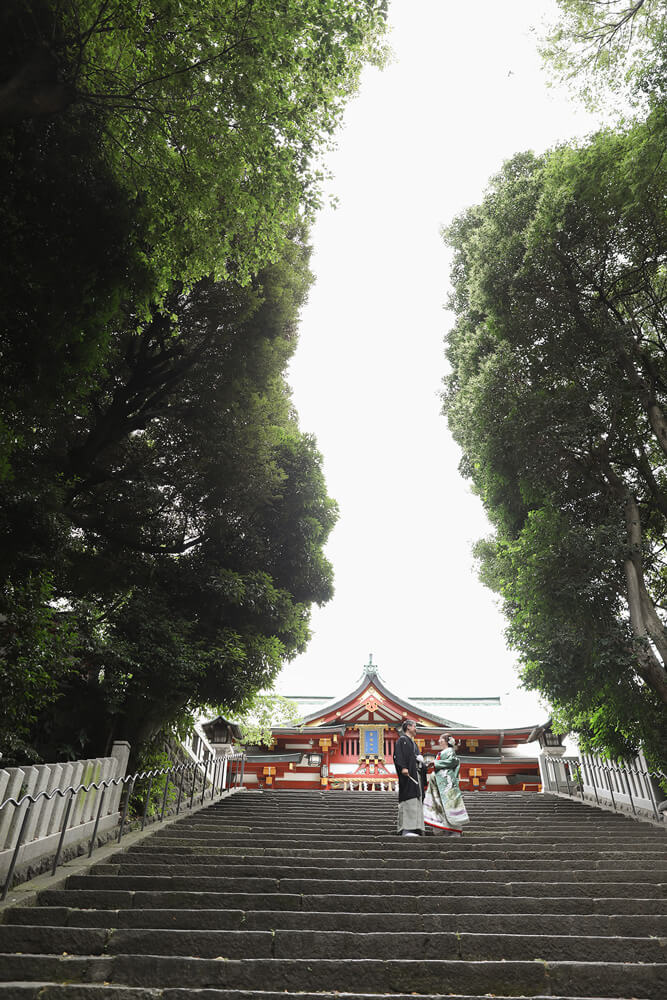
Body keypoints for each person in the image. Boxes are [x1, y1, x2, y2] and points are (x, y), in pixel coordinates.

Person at [423, 733, 469, 837]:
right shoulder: (442, 753)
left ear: (447, 741)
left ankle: (453, 829)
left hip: (446, 783)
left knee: (449, 805)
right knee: (439, 805)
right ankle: (442, 828)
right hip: (439, 783)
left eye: (441, 739)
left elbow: (452, 762)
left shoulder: (450, 751)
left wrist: (435, 764)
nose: (439, 741)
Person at [392, 719, 425, 836]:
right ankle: (407, 829)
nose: (416, 729)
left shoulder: (414, 743)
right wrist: (403, 767)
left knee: (417, 800)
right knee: (409, 800)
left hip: (416, 775)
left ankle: (416, 828)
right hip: (408, 776)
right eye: (415, 726)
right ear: (409, 727)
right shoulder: (402, 740)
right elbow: (398, 755)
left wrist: (421, 763)